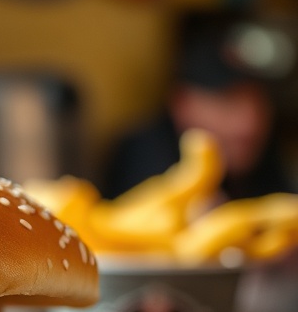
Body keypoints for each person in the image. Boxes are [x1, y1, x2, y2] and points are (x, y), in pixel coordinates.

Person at [102, 12, 295, 202]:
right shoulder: (143, 153)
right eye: (228, 102)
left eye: (261, 103)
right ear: (182, 102)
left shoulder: (265, 157)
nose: (248, 124)